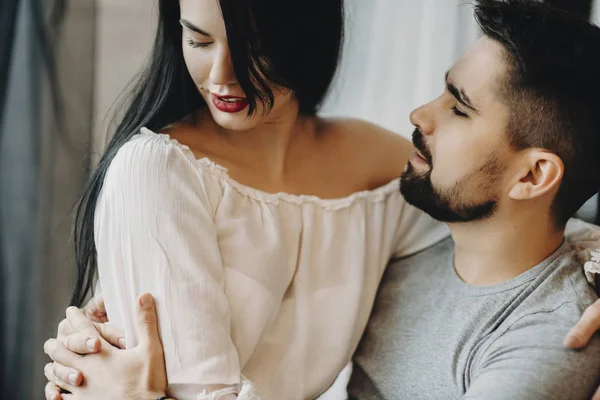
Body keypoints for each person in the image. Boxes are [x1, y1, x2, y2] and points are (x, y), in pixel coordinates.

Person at [43, 0, 600, 399]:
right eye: (197, 38)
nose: (417, 114)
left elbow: (533, 233)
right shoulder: (158, 172)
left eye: (458, 106)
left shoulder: (387, 183)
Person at [347, 1, 600, 398]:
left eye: (459, 109)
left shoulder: (550, 339)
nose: (419, 115)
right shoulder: (412, 226)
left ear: (532, 176)